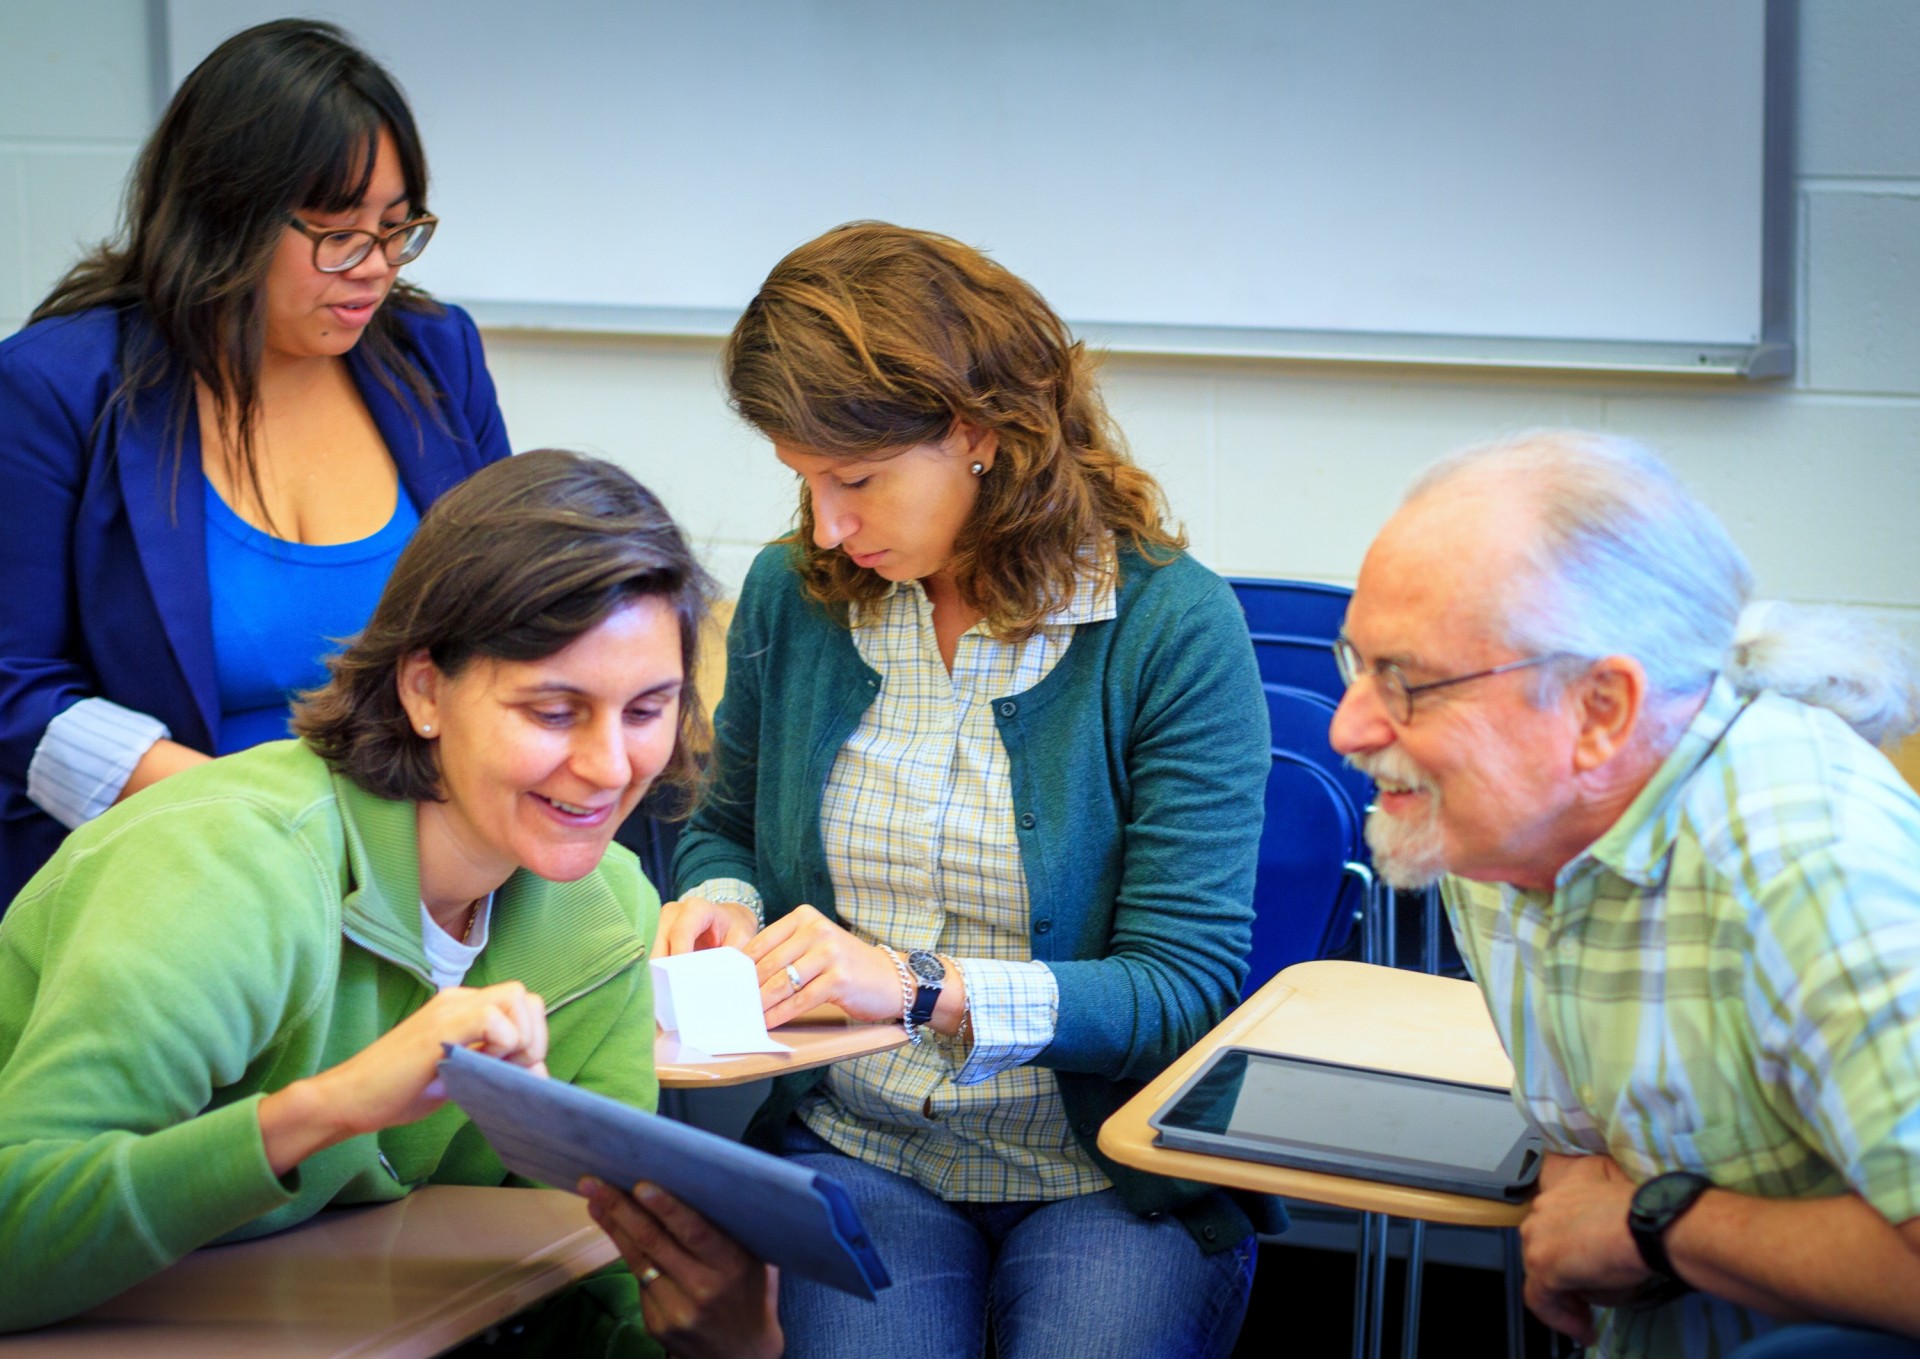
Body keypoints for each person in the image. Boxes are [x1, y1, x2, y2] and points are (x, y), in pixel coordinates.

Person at [0, 451, 780, 1359]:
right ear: (423, 690)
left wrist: (726, 1345)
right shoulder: (226, 867)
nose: (611, 767)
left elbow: (580, 1292)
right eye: (555, 712)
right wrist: (328, 1107)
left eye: (647, 710)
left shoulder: (605, 911)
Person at [662, 222, 1268, 1359]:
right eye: (804, 481)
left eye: (857, 480)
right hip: (862, 1142)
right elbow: (725, 829)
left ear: (980, 433)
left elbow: (1181, 989)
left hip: (1105, 1167)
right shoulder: (800, 600)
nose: (828, 524)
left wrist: (918, 988)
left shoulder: (1171, 627)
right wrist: (726, 905)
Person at [1327, 429, 1920, 1358]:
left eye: (1406, 681)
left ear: (1599, 711)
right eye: (1355, 662)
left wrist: (1657, 1225)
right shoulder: (1498, 825)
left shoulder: (1809, 870)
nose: (1348, 727)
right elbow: (1584, 1140)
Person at [0, 19, 511, 906]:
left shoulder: (436, 356)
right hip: (166, 878)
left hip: (415, 879)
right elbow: (15, 690)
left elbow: (515, 612)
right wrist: (265, 827)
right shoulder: (58, 389)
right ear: (226, 215)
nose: (376, 269)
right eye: (338, 234)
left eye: (397, 230)